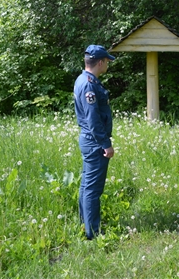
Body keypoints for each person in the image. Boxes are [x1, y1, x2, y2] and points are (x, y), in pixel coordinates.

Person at [74, 44, 115, 240]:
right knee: (92, 188)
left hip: (89, 140)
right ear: (100, 62)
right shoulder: (89, 84)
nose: (107, 64)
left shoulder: (83, 80)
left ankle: (86, 224)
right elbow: (93, 119)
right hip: (94, 141)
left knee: (86, 185)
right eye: (106, 61)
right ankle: (93, 233)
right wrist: (105, 144)